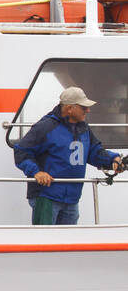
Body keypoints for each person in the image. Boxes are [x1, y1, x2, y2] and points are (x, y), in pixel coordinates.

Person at [13, 85, 122, 224]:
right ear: (70, 108)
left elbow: (94, 151)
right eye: (83, 107)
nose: (87, 110)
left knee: (68, 243)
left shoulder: (84, 128)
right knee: (45, 242)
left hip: (72, 199)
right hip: (46, 197)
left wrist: (113, 159)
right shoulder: (46, 127)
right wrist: (37, 172)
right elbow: (22, 151)